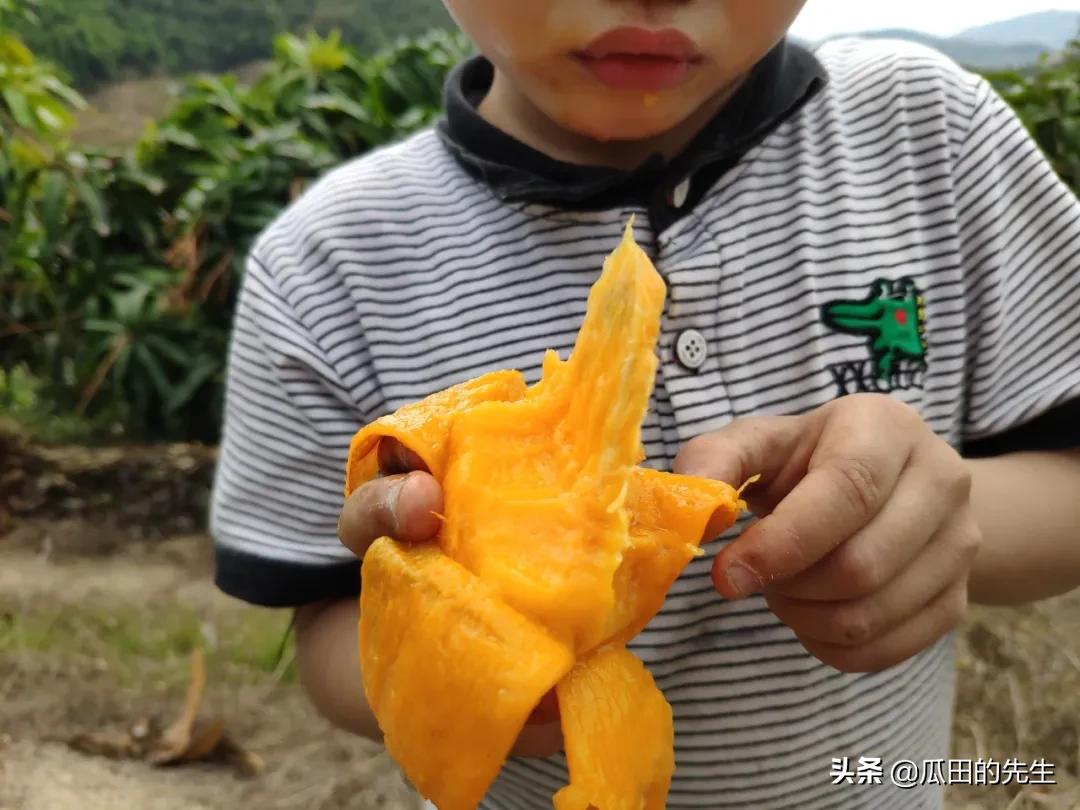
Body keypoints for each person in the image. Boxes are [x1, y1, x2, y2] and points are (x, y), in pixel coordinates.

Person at [209, 1, 1080, 807]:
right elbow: (325, 625)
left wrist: (940, 518)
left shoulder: (931, 134)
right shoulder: (323, 268)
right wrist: (452, 657)